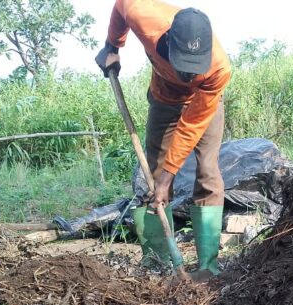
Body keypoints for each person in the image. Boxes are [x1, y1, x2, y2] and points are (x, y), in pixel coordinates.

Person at [95, 0, 231, 276]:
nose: (189, 73)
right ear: (168, 42)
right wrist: (112, 46)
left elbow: (190, 128)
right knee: (152, 179)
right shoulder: (144, 16)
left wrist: (169, 177)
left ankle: (207, 268)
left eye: (195, 66)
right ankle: (158, 265)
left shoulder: (218, 69)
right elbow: (121, 6)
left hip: (204, 105)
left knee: (207, 171)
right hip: (164, 99)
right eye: (184, 65)